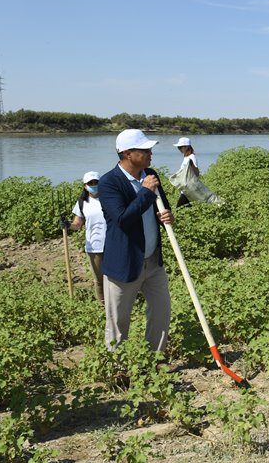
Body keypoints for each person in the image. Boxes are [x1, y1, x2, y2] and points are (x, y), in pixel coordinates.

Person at [99, 129, 174, 352]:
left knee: (161, 311)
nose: (150, 153)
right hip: (124, 263)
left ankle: (156, 357)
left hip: (152, 261)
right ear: (127, 153)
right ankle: (118, 365)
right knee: (118, 319)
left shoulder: (149, 174)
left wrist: (167, 216)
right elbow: (122, 219)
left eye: (149, 149)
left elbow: (161, 206)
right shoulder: (109, 183)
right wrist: (145, 192)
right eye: (144, 150)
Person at [68, 171, 107, 303]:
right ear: (85, 186)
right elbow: (77, 224)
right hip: (94, 247)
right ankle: (103, 304)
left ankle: (117, 303)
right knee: (99, 279)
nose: (94, 185)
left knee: (115, 277)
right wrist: (68, 225)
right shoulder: (82, 203)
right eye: (90, 183)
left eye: (96, 182)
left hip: (113, 243)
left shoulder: (110, 198)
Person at [172, 137, 199, 208]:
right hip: (185, 188)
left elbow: (196, 173)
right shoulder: (186, 157)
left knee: (179, 209)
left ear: (187, 147)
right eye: (178, 147)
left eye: (180, 147)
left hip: (188, 189)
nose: (179, 149)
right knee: (186, 208)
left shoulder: (191, 157)